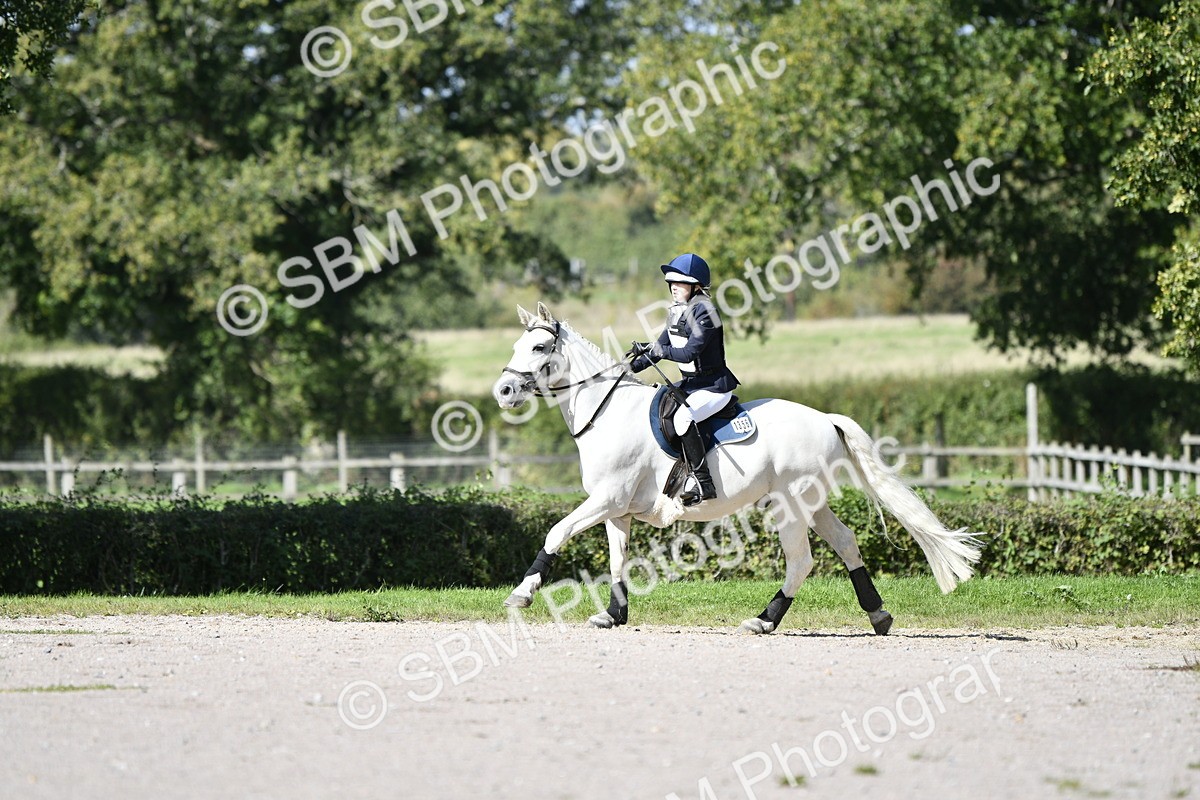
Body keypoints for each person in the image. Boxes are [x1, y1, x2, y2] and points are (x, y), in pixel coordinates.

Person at [627, 253, 740, 505]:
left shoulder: (706, 313)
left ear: (696, 285)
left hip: (714, 387)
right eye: (671, 283)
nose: (673, 287)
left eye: (680, 283)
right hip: (691, 385)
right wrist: (632, 366)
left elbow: (689, 352)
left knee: (683, 418)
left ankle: (704, 482)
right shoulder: (678, 311)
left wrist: (658, 351)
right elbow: (662, 345)